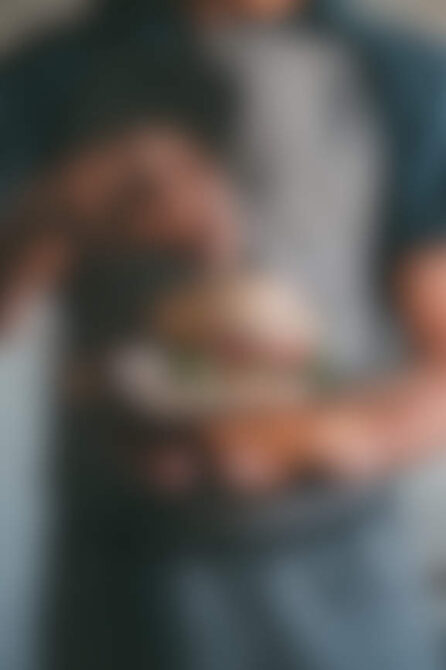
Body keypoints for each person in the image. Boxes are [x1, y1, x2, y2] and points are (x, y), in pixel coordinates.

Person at [1, 2, 446, 670]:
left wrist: (321, 440)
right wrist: (63, 204)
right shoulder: (55, 72)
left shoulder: (403, 76)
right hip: (124, 577)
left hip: (342, 578)